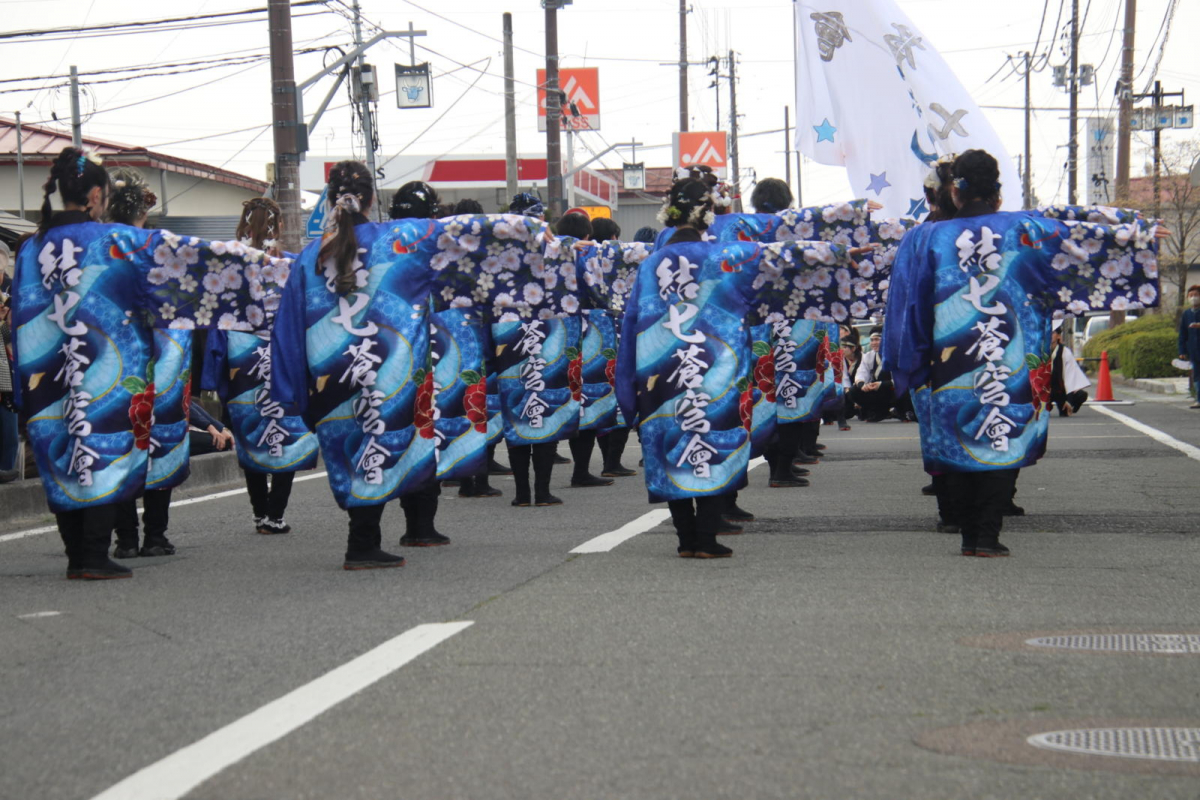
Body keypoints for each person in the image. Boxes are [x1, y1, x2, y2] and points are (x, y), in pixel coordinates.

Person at [12, 147, 284, 580]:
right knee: (106, 450)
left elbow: (22, 318)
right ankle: (96, 555)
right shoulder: (118, 242)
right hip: (108, 372)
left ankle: (76, 556)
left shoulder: (31, 249)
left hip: (48, 369)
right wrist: (270, 269)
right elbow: (195, 260)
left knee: (61, 451)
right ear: (98, 195)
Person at [884, 149, 1167, 558]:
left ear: (956, 193)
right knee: (1003, 437)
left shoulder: (925, 237)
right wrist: (1136, 234)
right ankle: (986, 535)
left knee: (958, 442)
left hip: (948, 366)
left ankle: (967, 534)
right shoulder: (1026, 228)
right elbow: (1079, 240)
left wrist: (908, 361)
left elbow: (905, 306)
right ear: (998, 195)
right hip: (1010, 360)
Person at [201, 197, 318, 537]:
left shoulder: (230, 269)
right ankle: (275, 514)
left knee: (249, 432)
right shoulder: (295, 267)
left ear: (244, 224)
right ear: (278, 226)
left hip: (243, 363)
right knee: (287, 432)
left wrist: (214, 372)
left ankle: (258, 511)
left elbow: (216, 322)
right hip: (284, 359)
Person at [851, 328, 898, 422]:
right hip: (876, 388)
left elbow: (902, 379)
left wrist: (882, 384)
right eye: (872, 340)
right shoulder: (868, 356)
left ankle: (901, 411)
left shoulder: (896, 355)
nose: (873, 343)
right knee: (854, 390)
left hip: (892, 388)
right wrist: (862, 385)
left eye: (877, 339)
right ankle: (877, 411)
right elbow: (861, 373)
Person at [0, 240, 17, 484]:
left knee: (9, 434)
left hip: (7, 373)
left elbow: (11, 334)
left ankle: (7, 472)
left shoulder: (13, 289)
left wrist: (4, 322)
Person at [1049, 320, 1090, 416]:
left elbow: (1070, 378)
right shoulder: (1038, 351)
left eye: (1052, 333)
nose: (1049, 335)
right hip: (1044, 392)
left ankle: (1069, 407)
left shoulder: (1065, 352)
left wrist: (1069, 401)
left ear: (1058, 336)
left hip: (1060, 391)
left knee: (1081, 395)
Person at [1179, 284, 1200, 409]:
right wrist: (1182, 350)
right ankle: (1198, 399)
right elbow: (1183, 333)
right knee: (1197, 375)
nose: (1193, 298)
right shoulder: (1186, 314)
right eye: (1191, 296)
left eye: (1196, 295)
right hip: (1194, 350)